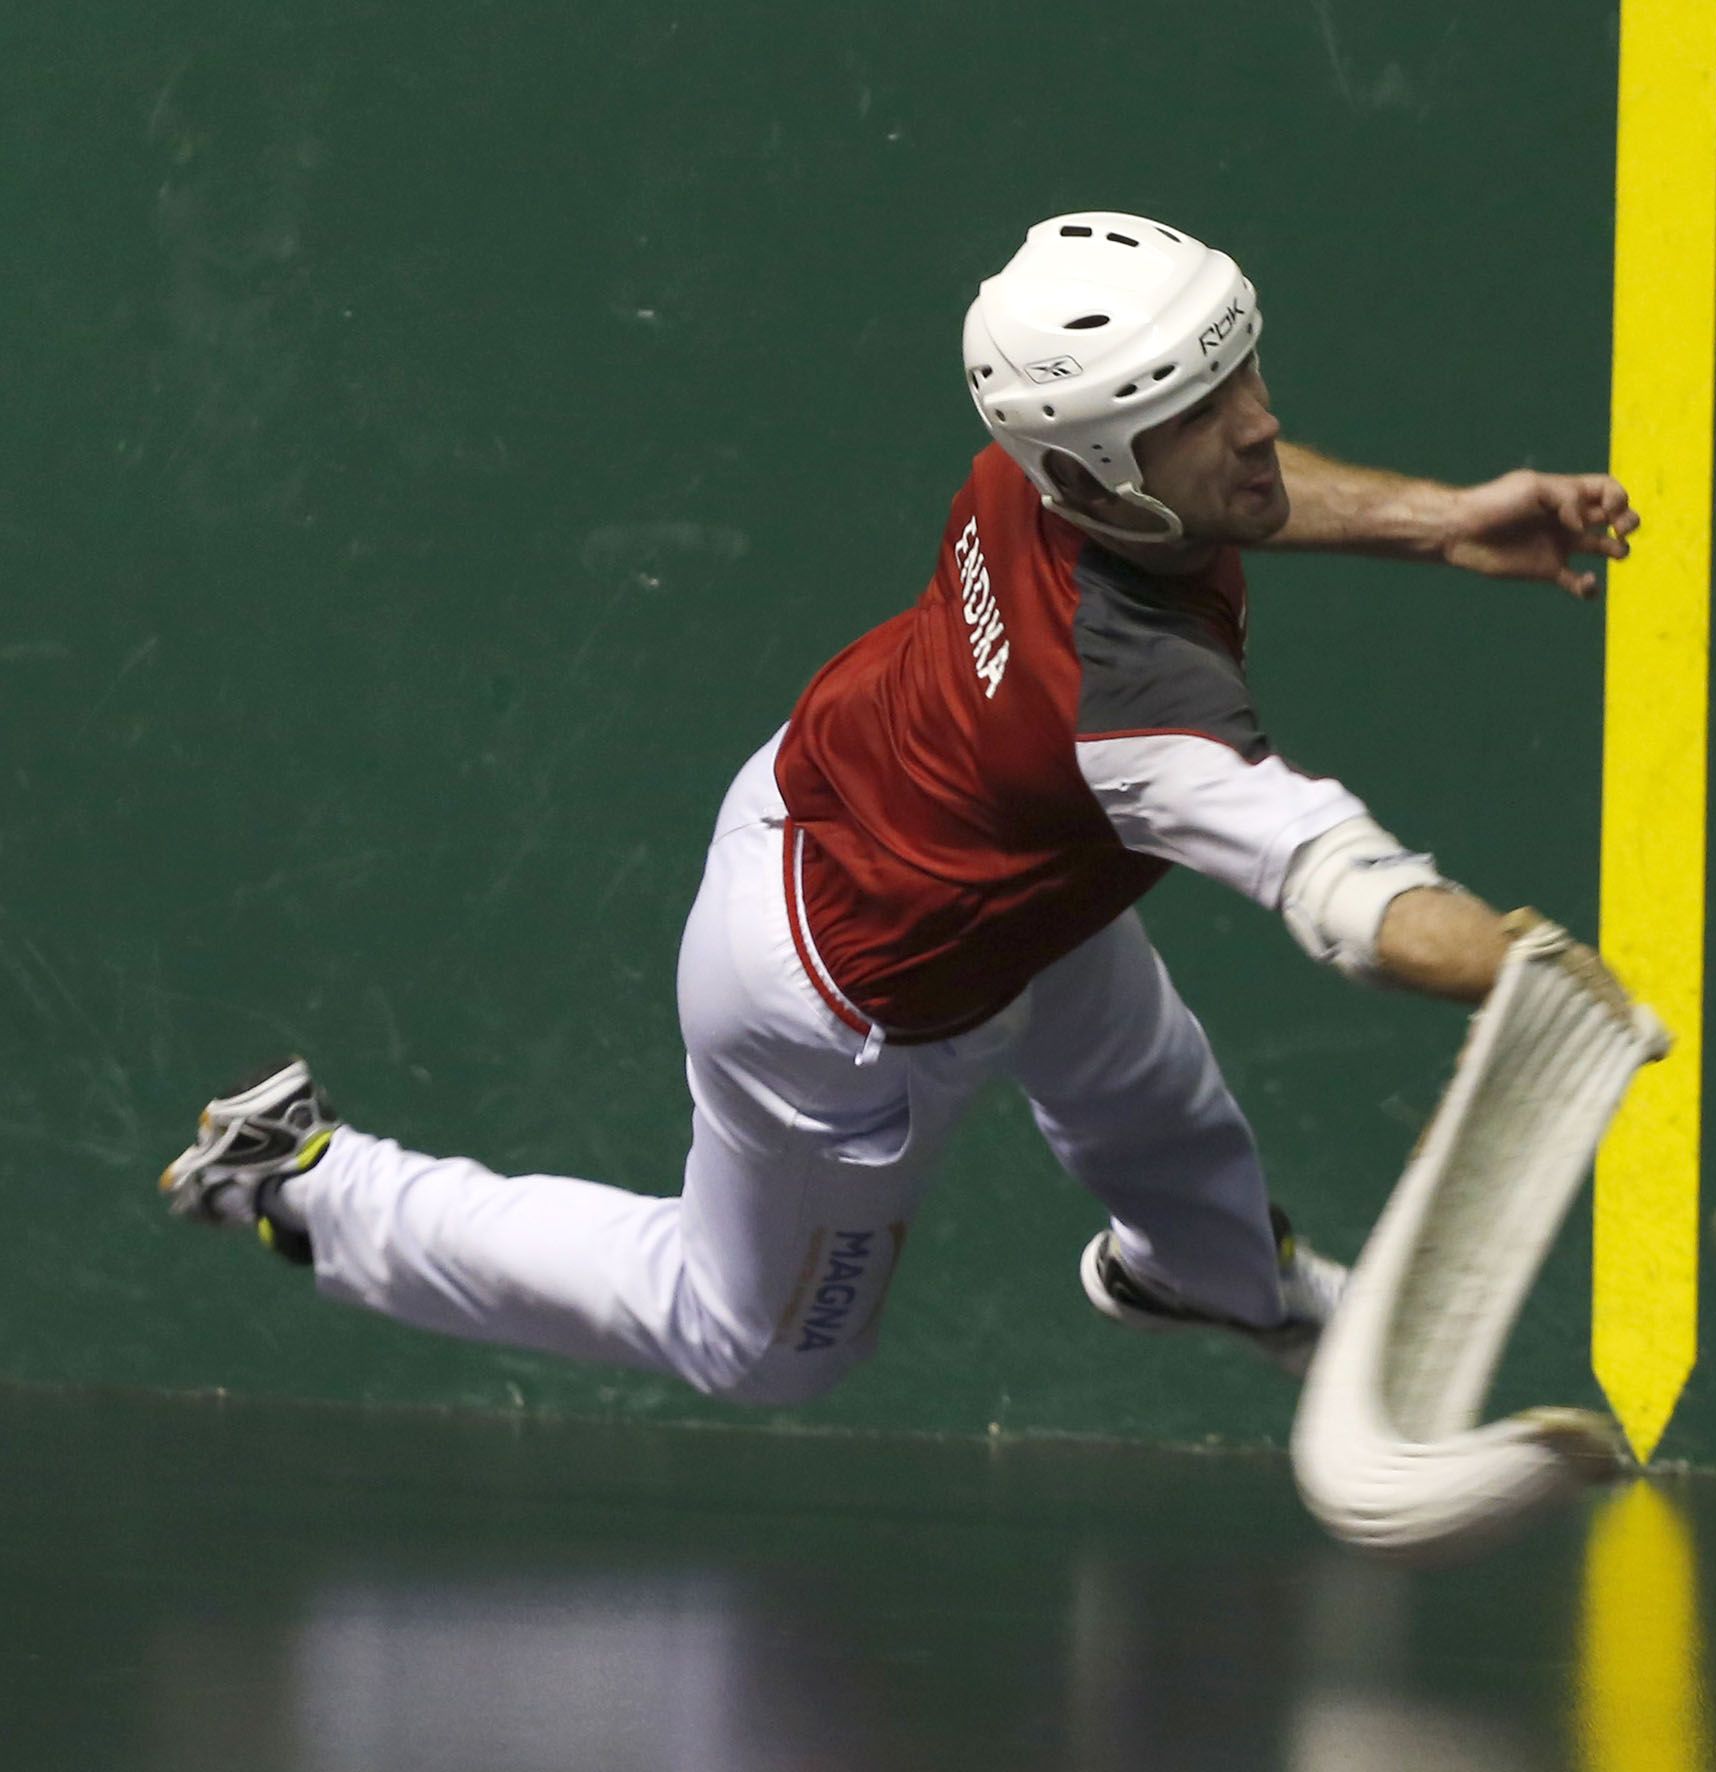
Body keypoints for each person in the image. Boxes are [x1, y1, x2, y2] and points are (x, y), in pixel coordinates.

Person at [157, 212, 1639, 1405]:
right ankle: (313, 1182)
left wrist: (1439, 519)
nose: (1258, 427)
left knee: (1149, 1099)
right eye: (1205, 407)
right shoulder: (1136, 723)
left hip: (928, 841)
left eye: (1241, 371)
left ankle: (1211, 1280)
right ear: (1105, 466)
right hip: (839, 995)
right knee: (757, 1343)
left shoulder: (1037, 464)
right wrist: (1519, 976)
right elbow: (1348, 899)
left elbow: (1235, 489)